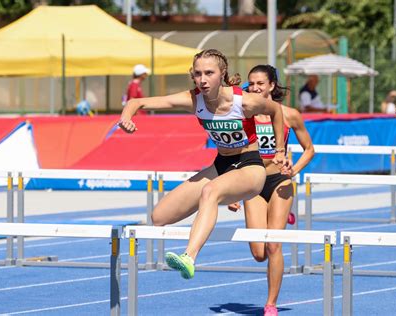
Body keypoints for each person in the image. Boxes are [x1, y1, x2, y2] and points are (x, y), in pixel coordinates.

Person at [118, 49, 288, 281]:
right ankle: (201, 219)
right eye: (198, 74)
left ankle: (189, 256)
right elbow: (137, 101)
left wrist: (279, 150)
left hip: (251, 166)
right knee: (159, 217)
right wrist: (126, 117)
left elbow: (276, 110)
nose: (203, 80)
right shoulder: (193, 99)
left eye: (209, 73)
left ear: (222, 74)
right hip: (221, 164)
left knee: (210, 191)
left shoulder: (244, 101)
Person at [228, 65, 314, 316]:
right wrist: (234, 190)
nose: (254, 88)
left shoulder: (289, 114)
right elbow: (232, 153)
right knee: (258, 253)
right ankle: (278, 216)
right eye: (251, 83)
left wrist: (293, 169)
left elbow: (309, 149)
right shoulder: (243, 115)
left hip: (280, 182)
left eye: (260, 84)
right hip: (253, 183)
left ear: (272, 86)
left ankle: (271, 304)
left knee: (274, 245)